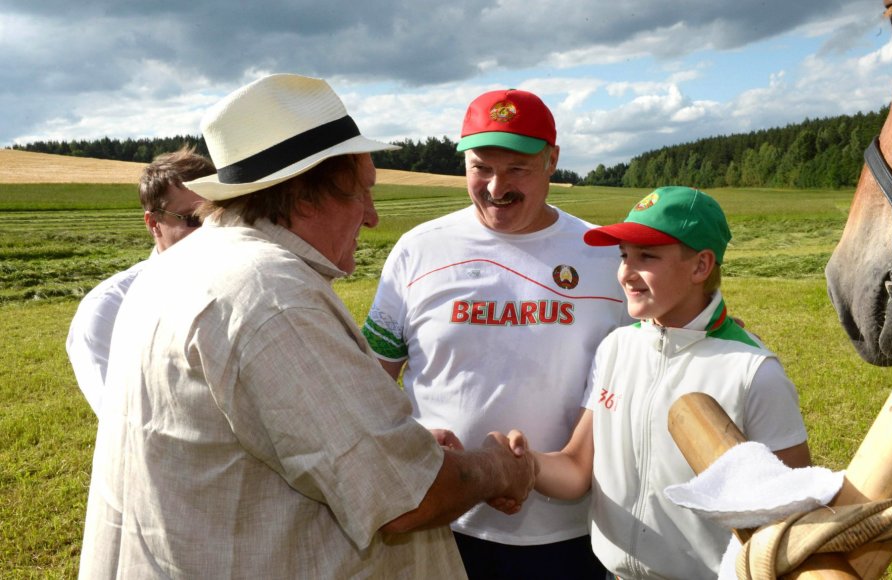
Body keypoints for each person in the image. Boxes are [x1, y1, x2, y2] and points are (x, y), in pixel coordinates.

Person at [78, 73, 536, 579]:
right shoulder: (272, 295)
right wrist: (496, 466)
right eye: (361, 192)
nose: (373, 217)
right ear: (305, 194)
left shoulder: (181, 266)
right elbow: (407, 499)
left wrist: (403, 442)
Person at [362, 88, 630, 578]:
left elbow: (645, 372)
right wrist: (413, 438)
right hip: (439, 524)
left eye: (516, 170)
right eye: (481, 167)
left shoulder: (604, 255)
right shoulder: (418, 250)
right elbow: (369, 379)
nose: (494, 186)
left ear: (552, 160)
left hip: (572, 530)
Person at [513, 186, 812, 579]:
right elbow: (575, 468)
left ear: (701, 266)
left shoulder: (753, 371)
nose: (626, 272)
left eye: (647, 256)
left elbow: (791, 518)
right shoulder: (617, 348)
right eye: (623, 256)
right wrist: (521, 463)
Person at [65, 146, 214, 418]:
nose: (211, 232)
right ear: (153, 223)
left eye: (217, 217)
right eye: (193, 220)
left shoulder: (247, 289)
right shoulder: (107, 310)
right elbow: (125, 421)